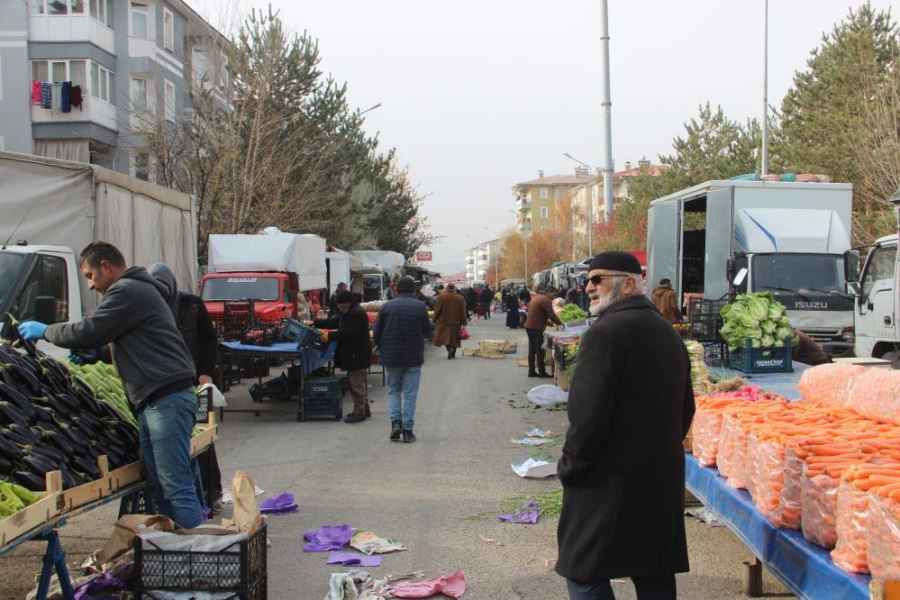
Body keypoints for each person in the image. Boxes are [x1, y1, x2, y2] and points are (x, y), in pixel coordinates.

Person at [18, 242, 203, 528]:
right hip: (157, 400)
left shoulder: (126, 290)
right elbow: (136, 343)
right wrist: (98, 355)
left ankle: (194, 555)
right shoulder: (139, 291)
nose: (90, 285)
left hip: (165, 400)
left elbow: (91, 329)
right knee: (161, 487)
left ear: (106, 266)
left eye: (91, 276)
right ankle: (172, 552)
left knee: (175, 488)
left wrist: (45, 330)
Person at [556, 251, 695, 600]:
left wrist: (571, 467)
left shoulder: (605, 334)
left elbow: (586, 418)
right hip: (658, 477)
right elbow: (686, 408)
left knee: (584, 570)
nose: (589, 287)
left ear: (630, 283)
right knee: (653, 570)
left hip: (607, 480)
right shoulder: (667, 332)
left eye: (598, 279)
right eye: (588, 280)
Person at [149, 263, 223, 510]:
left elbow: (209, 339)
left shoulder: (192, 304)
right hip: (166, 382)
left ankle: (212, 491)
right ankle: (192, 493)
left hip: (195, 380)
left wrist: (206, 372)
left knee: (202, 437)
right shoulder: (151, 307)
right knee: (185, 439)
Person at [373, 276, 433, 443]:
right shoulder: (420, 307)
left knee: (393, 391)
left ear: (396, 290)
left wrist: (380, 347)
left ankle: (395, 423)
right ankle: (407, 430)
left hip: (391, 356)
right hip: (413, 356)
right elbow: (428, 330)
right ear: (413, 290)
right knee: (410, 394)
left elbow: (377, 332)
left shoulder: (386, 307)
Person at [314, 289, 372, 423]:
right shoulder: (348, 312)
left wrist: (329, 336)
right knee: (359, 383)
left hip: (357, 354)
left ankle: (359, 412)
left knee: (356, 384)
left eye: (340, 305)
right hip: (354, 353)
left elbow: (348, 332)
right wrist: (315, 323)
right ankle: (364, 408)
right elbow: (334, 323)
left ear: (347, 303)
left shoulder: (356, 314)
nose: (339, 308)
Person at [524, 285, 562, 378]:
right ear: (549, 292)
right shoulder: (545, 300)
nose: (554, 297)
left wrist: (549, 323)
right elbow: (551, 315)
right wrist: (561, 323)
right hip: (536, 328)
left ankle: (531, 371)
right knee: (540, 350)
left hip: (529, 326)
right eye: (554, 294)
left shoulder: (537, 297)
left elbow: (539, 314)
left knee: (532, 350)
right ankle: (542, 372)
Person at [433, 283, 468, 359]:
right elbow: (463, 311)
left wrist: (435, 318)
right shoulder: (460, 298)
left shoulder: (442, 297)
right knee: (454, 338)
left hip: (444, 321)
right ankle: (453, 350)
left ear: (447, 288)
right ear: (454, 289)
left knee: (445, 337)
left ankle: (449, 349)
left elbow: (437, 309)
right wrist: (464, 322)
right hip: (456, 321)